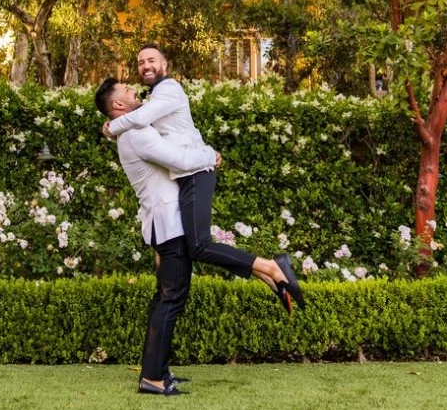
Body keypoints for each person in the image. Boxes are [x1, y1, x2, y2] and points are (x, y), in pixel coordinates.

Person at [102, 44, 306, 314]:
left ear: (166, 65)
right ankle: (267, 274)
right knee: (195, 246)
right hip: (188, 175)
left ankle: (271, 266)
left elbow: (142, 118)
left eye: (152, 60)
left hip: (196, 172)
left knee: (198, 245)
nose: (145, 66)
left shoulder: (169, 89)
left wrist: (112, 126)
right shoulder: (154, 98)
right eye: (140, 62)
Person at [95, 78, 217, 396]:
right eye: (127, 91)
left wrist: (111, 127)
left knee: (165, 298)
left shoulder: (128, 130)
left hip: (162, 223)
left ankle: (158, 370)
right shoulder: (136, 132)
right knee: (171, 298)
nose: (134, 91)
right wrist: (209, 157)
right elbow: (177, 160)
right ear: (119, 105)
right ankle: (152, 378)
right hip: (168, 224)